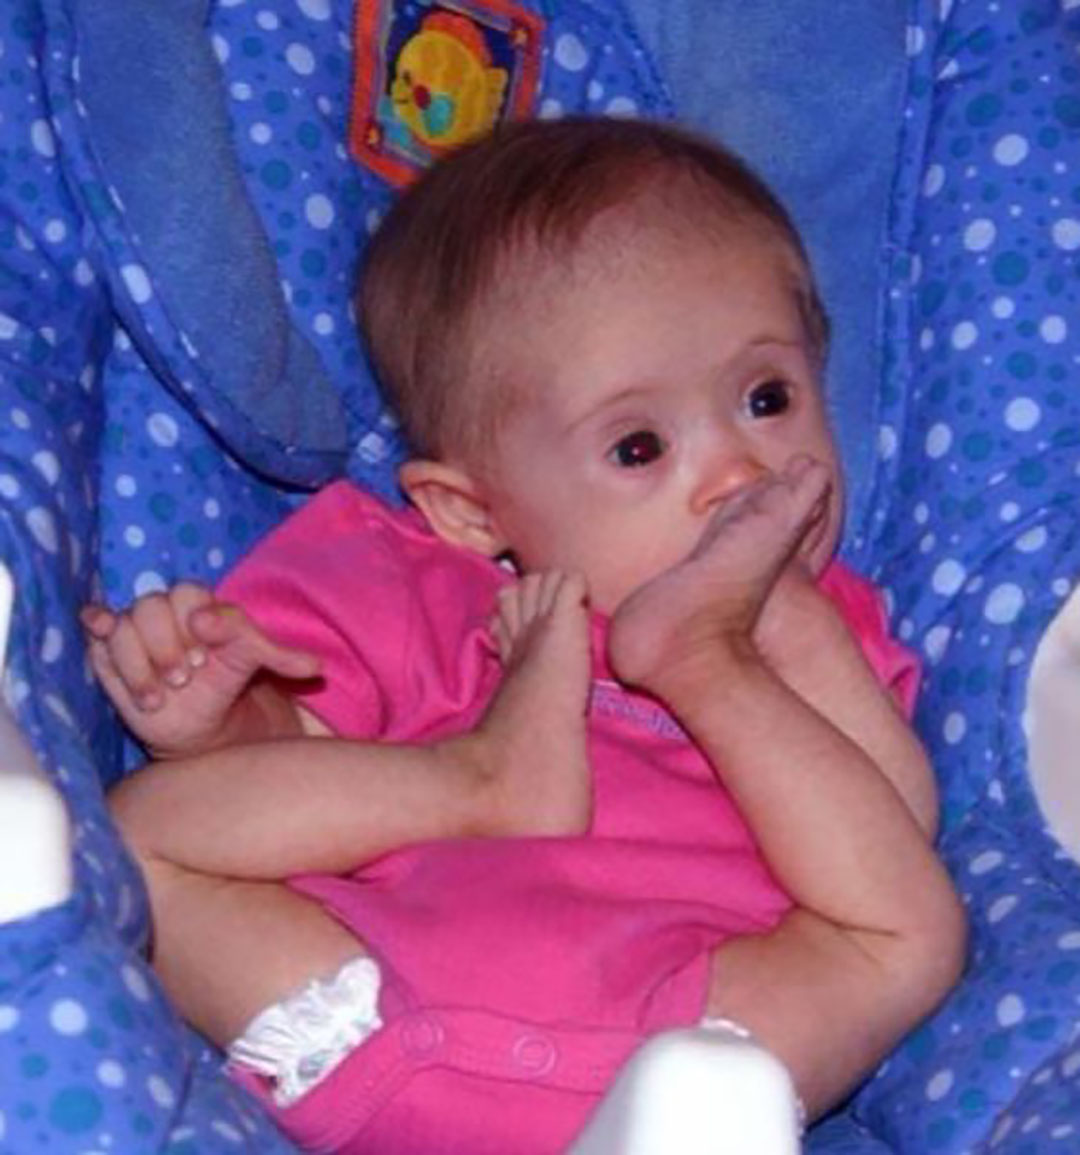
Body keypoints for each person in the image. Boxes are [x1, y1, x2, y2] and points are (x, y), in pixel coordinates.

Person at [83, 117, 966, 1153]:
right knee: (136, 833)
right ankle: (483, 780)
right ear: (470, 512)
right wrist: (221, 723)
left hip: (689, 1048)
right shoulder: (415, 581)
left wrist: (742, 652)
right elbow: (294, 770)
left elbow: (895, 828)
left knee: (916, 931)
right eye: (638, 446)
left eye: (767, 398)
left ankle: (666, 685)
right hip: (375, 1005)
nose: (739, 472)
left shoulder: (818, 619)